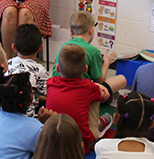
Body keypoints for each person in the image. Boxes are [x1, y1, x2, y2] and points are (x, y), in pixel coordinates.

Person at [52, 11, 126, 139]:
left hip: (60, 92)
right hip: (85, 94)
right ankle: (98, 124)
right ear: (91, 30)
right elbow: (100, 79)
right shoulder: (93, 51)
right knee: (121, 80)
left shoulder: (63, 47)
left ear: (70, 30)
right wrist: (106, 61)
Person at [47, 43, 123, 153]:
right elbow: (103, 97)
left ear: (58, 68)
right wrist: (98, 87)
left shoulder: (51, 83)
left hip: (53, 141)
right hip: (80, 145)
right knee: (97, 101)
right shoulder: (88, 86)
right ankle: (96, 128)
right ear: (85, 69)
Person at [6, 24, 49, 117]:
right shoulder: (40, 70)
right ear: (41, 48)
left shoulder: (8, 64)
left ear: (13, 47)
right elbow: (47, 93)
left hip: (6, 110)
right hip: (28, 116)